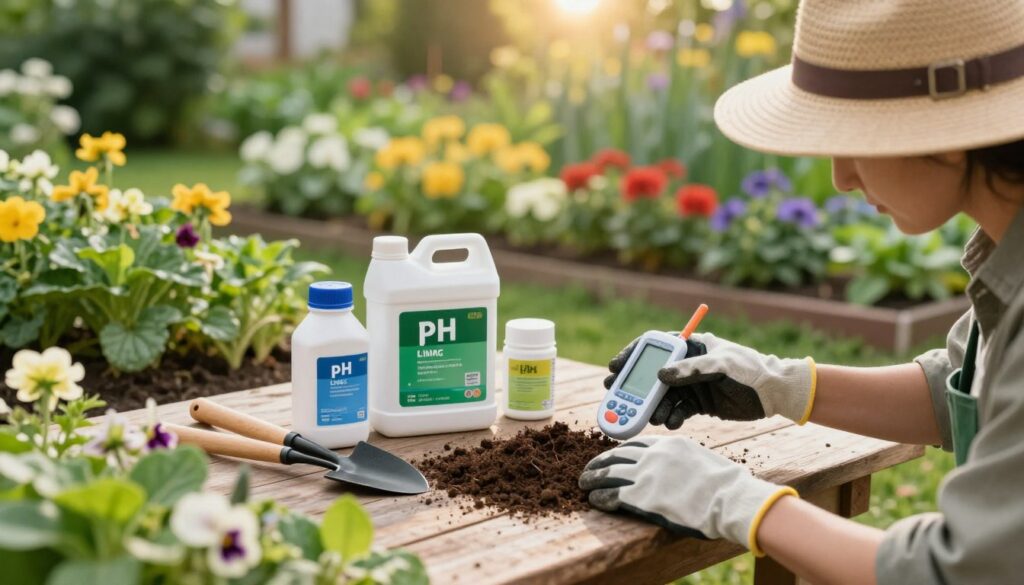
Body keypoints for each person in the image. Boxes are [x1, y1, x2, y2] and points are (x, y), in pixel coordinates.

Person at [578, 1, 1024, 583]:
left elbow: (957, 573)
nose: (841, 176)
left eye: (853, 137)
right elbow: (966, 388)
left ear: (948, 139)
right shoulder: (1005, 246)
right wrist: (781, 384)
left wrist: (738, 503)